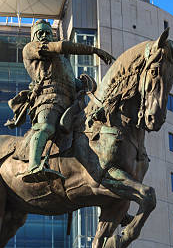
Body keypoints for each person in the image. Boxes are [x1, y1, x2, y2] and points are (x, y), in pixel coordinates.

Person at [7, 19, 113, 183]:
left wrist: (82, 84)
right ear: (33, 37)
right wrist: (94, 50)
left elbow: (70, 80)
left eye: (47, 33)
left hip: (71, 102)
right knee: (46, 127)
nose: (44, 36)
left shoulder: (62, 58)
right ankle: (34, 167)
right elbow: (61, 46)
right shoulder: (31, 49)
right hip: (48, 100)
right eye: (39, 33)